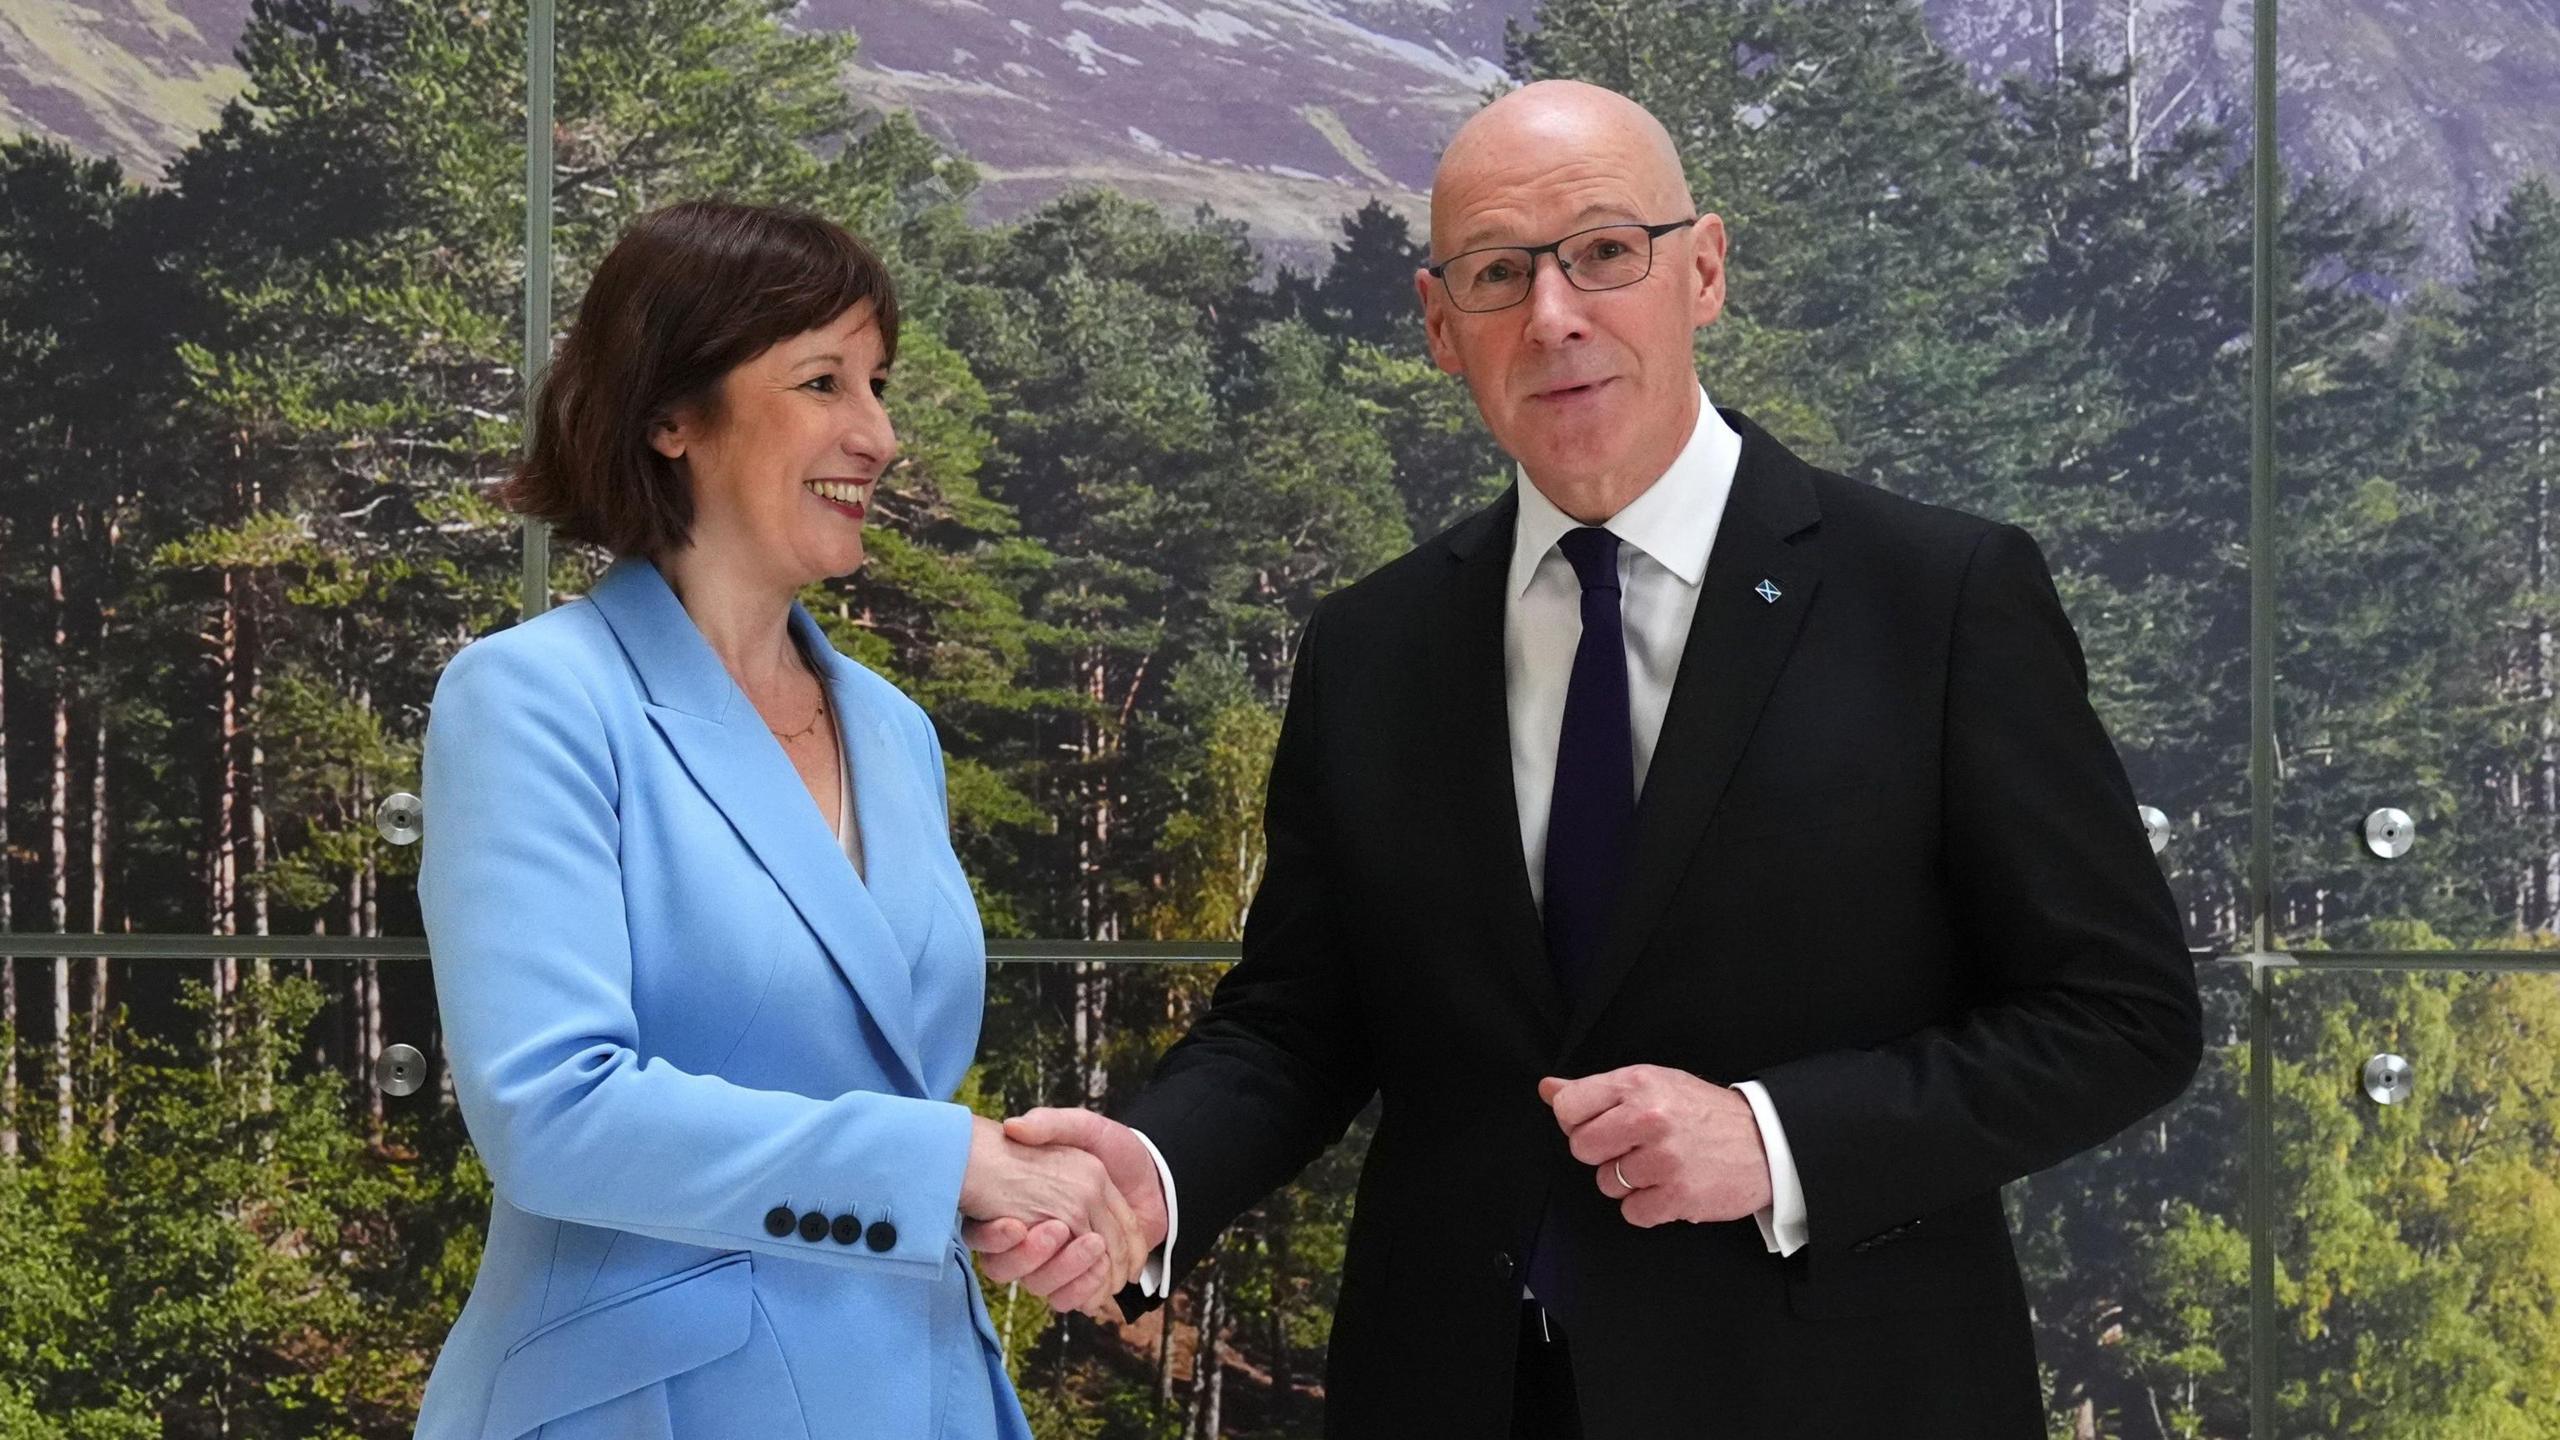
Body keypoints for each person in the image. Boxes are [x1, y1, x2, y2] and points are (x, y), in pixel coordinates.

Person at [976, 80, 2205, 1437]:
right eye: (1500, 274)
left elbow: (2120, 1016)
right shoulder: (1372, 645)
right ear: (1444, 329)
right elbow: (1299, 1023)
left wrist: (1777, 1138)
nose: (1554, 315)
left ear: (1706, 270)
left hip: (1837, 1394)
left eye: (1606, 253)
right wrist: (1157, 1174)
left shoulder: (1941, 596)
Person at [412, 200, 1145, 1440]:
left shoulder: (893, 730)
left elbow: (863, 1081)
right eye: (822, 381)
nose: (879, 433)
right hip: (646, 1405)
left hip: (926, 1391)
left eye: (876, 383)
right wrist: (949, 1164)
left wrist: (1015, 1208)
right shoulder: (536, 697)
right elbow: (553, 1112)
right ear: (670, 416)